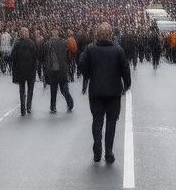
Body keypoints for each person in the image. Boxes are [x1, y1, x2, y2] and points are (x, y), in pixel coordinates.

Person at [80, 23, 132, 164]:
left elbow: (82, 65)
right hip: (113, 91)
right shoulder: (118, 50)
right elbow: (125, 69)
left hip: (96, 91)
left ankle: (97, 147)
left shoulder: (90, 49)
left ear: (97, 34)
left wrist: (89, 74)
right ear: (111, 35)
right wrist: (127, 84)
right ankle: (108, 152)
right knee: (111, 122)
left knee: (97, 121)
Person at [45, 26, 75, 114]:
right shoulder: (52, 42)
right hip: (56, 69)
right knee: (55, 89)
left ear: (58, 32)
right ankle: (54, 106)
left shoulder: (59, 42)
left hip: (59, 68)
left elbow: (67, 54)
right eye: (53, 30)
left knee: (61, 89)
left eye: (55, 31)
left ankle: (68, 103)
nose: (54, 32)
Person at [11, 26, 38, 115]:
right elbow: (35, 57)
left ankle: (23, 109)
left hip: (21, 71)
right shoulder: (32, 43)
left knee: (22, 91)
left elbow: (13, 57)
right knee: (30, 90)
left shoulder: (17, 44)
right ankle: (28, 107)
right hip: (30, 71)